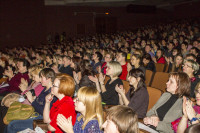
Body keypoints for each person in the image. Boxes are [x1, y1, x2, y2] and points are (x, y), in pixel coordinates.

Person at [5, 68, 57, 133]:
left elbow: (44, 111)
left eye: (41, 77)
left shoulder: (51, 93)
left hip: (40, 119)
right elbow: (39, 103)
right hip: (35, 114)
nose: (40, 80)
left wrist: (32, 100)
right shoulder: (45, 88)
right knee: (10, 118)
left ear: (49, 79)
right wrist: (34, 98)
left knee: (12, 125)